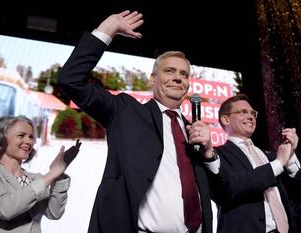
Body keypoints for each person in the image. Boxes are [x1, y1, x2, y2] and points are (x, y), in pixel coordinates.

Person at [57, 10, 215, 233]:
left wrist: (210, 153)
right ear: (153, 78)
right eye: (169, 71)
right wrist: (107, 30)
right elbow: (70, 80)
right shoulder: (125, 111)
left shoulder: (194, 133)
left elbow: (223, 191)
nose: (178, 77)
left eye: (184, 74)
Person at [207, 94, 301, 233]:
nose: (251, 117)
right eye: (243, 112)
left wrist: (291, 153)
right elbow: (229, 188)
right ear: (225, 119)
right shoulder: (216, 155)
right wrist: (278, 163)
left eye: (252, 113)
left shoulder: (269, 155)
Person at [0, 115, 81, 233]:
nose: (29, 141)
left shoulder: (36, 178)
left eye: (31, 137)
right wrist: (51, 175)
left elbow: (54, 213)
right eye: (21, 135)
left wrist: (58, 175)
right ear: (1, 138)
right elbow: (4, 209)